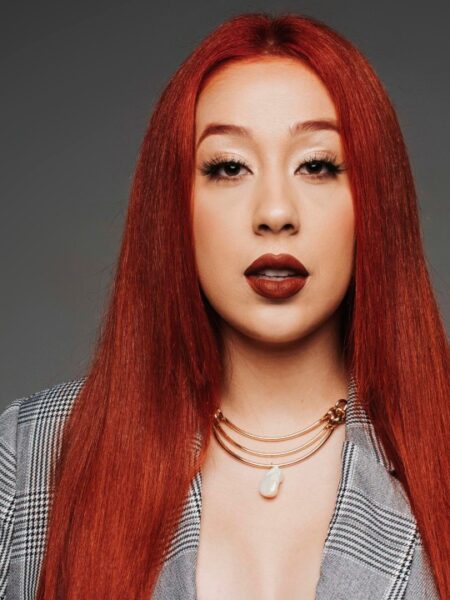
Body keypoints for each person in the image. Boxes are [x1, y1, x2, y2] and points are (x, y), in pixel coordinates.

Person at [0, 11, 448, 600]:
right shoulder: (32, 455)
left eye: (316, 165)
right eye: (229, 167)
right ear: (174, 206)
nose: (275, 212)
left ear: (375, 202)